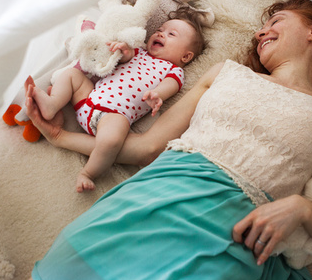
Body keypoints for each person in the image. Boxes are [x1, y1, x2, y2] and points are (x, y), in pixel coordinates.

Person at [0, 0, 312, 280]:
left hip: (215, 255)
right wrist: (61, 137)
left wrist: (302, 210)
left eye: (277, 21)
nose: (260, 33)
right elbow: (143, 148)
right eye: (261, 27)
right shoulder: (225, 72)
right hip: (130, 217)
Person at [27, 10, 205, 192]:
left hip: (114, 114)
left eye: (171, 34)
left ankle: (88, 172)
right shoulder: (140, 52)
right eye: (160, 29)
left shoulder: (173, 70)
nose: (160, 33)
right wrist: (123, 49)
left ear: (186, 56)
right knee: (72, 75)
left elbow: (170, 85)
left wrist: (157, 94)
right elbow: (125, 56)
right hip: (89, 97)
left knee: (111, 141)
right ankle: (53, 103)